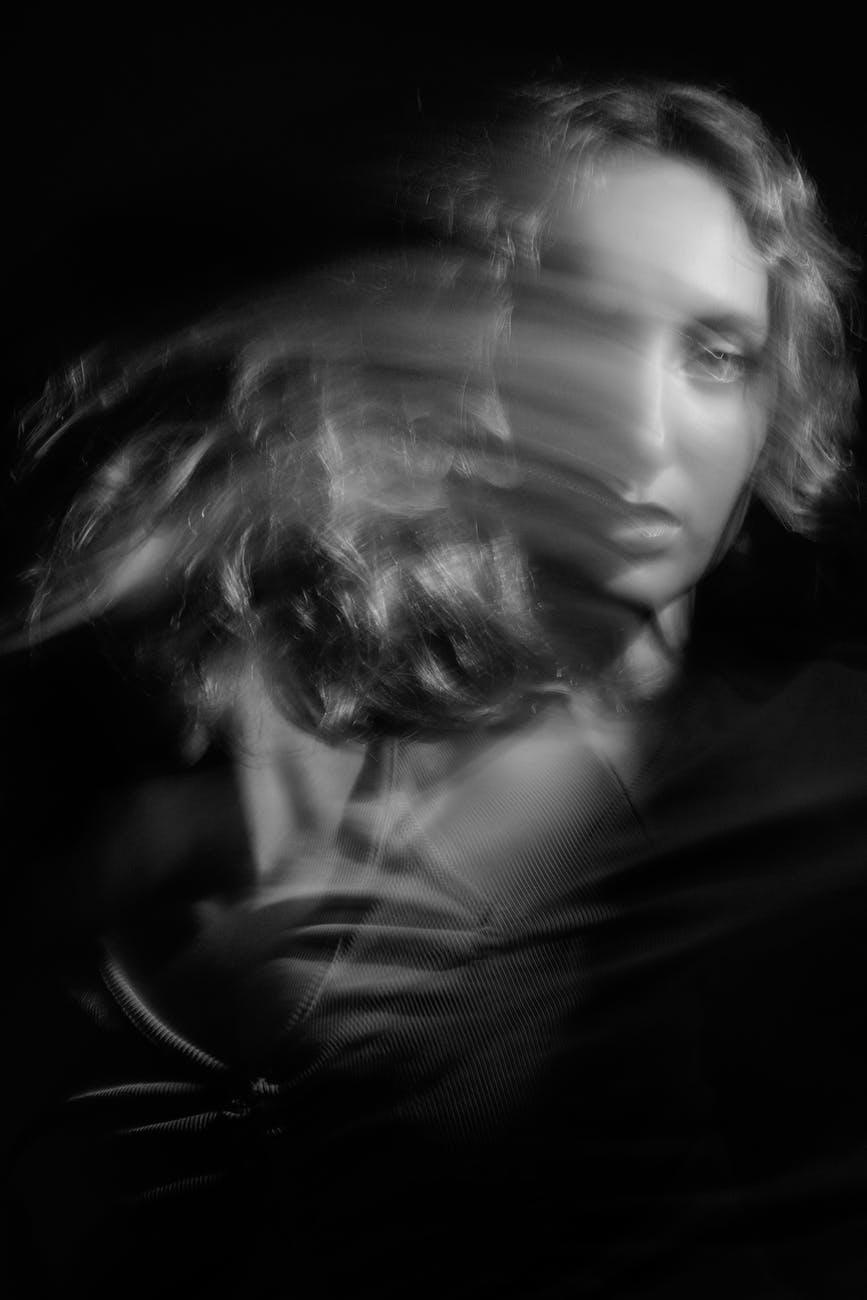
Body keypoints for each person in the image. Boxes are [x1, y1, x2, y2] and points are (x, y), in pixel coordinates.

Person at [2, 78, 863, 1297]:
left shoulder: (820, 783)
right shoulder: (270, 758)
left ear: (778, 405)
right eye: (576, 326)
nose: (640, 428)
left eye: (715, 356)